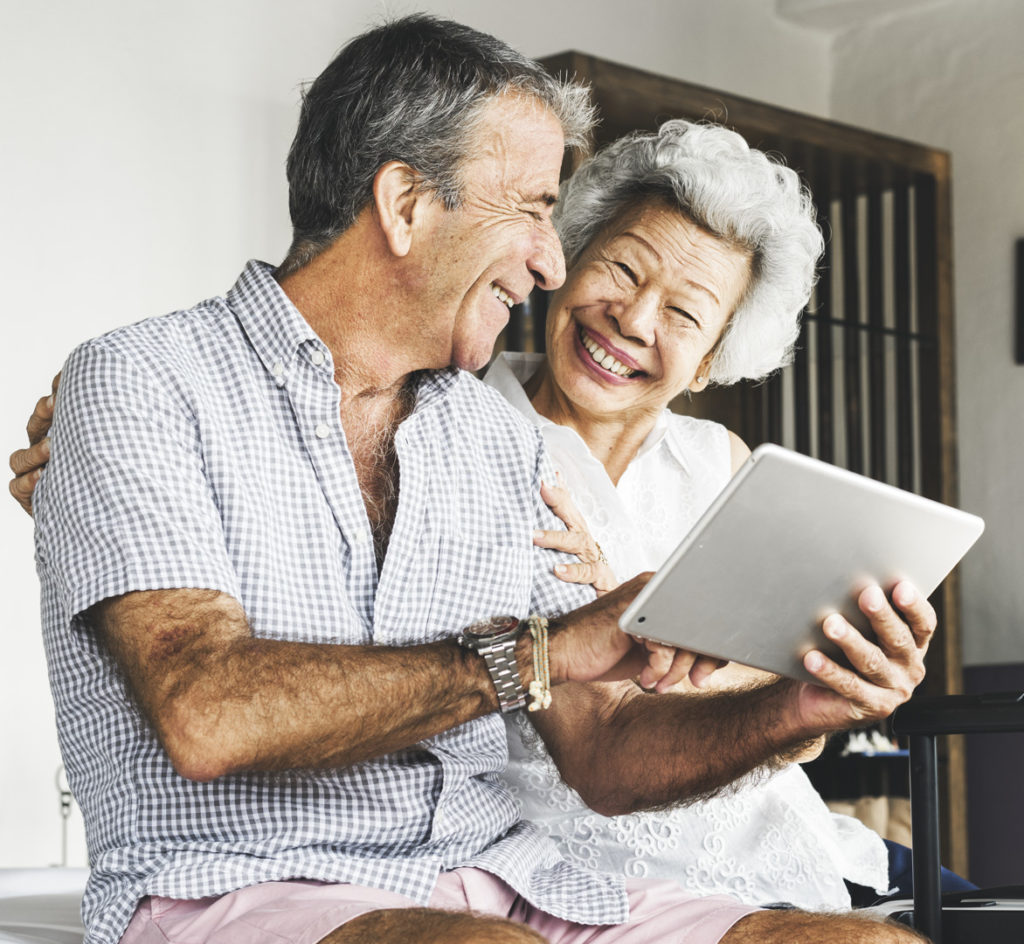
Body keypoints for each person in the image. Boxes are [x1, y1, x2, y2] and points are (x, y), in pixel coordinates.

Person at [9, 14, 936, 944]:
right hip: (243, 883)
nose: (549, 256)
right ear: (405, 204)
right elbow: (206, 712)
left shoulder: (498, 443)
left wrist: (801, 704)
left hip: (510, 883)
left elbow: (603, 754)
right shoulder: (144, 380)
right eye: (531, 207)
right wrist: (536, 650)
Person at [481, 118, 893, 910]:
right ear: (567, 262)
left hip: (782, 835)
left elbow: (784, 664)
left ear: (711, 358)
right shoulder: (470, 434)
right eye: (624, 270)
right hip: (583, 857)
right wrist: (682, 655)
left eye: (683, 313)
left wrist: (661, 648)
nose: (633, 321)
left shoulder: (719, 461)